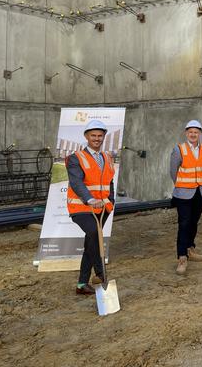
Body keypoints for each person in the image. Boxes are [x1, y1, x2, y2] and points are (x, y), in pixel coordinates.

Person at [66, 119, 115, 295]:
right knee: (94, 234)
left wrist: (111, 201)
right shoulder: (75, 158)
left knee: (91, 241)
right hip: (81, 208)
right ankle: (101, 273)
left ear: (103, 137)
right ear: (86, 136)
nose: (96, 138)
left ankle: (81, 284)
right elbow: (76, 181)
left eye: (100, 136)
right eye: (93, 135)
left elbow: (109, 182)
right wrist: (88, 199)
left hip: (102, 209)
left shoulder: (107, 157)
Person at [170, 120, 202, 275]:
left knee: (194, 222)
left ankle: (190, 249)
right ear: (186, 133)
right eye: (190, 132)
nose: (193, 134)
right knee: (184, 223)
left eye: (196, 132)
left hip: (200, 191)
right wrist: (180, 184)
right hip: (184, 193)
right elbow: (173, 171)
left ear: (200, 133)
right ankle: (182, 257)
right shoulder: (179, 149)